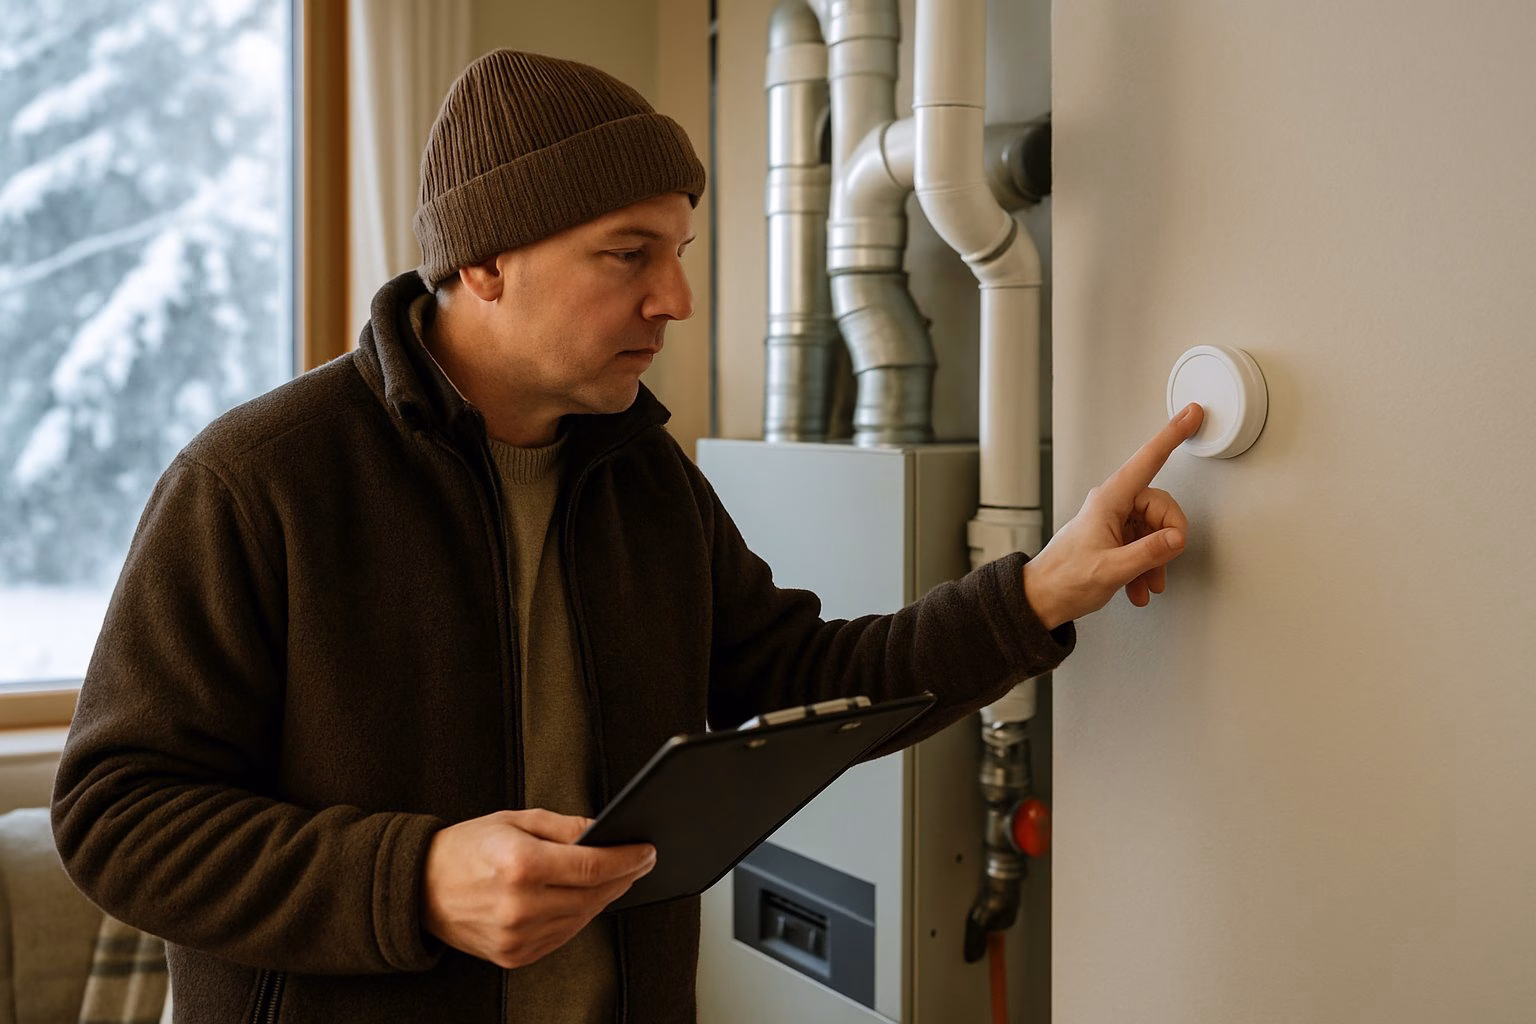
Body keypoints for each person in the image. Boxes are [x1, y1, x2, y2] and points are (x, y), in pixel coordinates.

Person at [50, 50, 1203, 1023]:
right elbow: (118, 816)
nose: (675, 300)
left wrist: (1041, 589)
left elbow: (805, 678)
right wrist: (415, 879)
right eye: (627, 253)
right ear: (485, 260)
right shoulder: (257, 479)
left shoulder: (644, 474)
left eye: (679, 254)